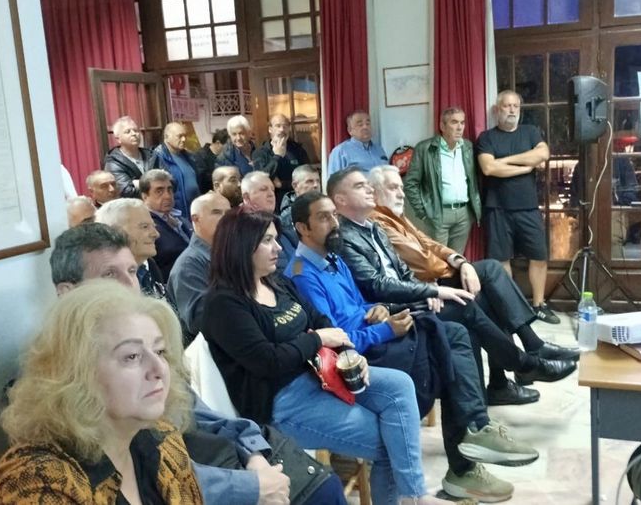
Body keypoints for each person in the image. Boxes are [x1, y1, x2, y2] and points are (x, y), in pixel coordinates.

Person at [47, 221, 344, 505]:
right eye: (110, 275)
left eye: (132, 271)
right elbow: (143, 473)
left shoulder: (147, 344)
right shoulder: (58, 382)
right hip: (194, 483)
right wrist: (251, 486)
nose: (128, 285)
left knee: (324, 486)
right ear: (67, 293)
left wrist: (255, 454)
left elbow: (202, 415)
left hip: (219, 460)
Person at [287, 192, 543, 502]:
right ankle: (470, 446)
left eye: (333, 215)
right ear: (302, 228)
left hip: (377, 333)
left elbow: (359, 305)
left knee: (457, 334)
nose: (334, 223)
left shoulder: (334, 258)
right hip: (360, 357)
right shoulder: (302, 275)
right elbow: (336, 339)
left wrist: (380, 308)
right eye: (323, 217)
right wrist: (385, 328)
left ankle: (474, 438)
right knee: (449, 344)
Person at [202, 209, 455, 505]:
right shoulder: (223, 304)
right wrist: (318, 339)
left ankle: (413, 496)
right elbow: (269, 361)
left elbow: (320, 320)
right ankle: (413, 498)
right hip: (282, 401)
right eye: (268, 241)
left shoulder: (275, 282)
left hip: (321, 373)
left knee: (400, 385)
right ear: (241, 246)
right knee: (391, 441)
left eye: (276, 238)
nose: (279, 247)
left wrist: (348, 354)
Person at [329, 167, 576, 391]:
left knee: (483, 295)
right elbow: (408, 270)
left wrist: (460, 262)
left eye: (401, 187)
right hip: (397, 305)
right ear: (341, 200)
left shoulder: (377, 226)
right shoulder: (370, 224)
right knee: (481, 286)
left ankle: (507, 378)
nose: (401, 194)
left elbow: (424, 249)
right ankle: (524, 362)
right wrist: (433, 288)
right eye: (393, 188)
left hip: (419, 289)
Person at [0, 280, 203, 503]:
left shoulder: (163, 440)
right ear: (77, 374)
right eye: (132, 356)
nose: (159, 369)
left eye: (160, 351)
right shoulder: (37, 487)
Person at [477, 90, 560, 324]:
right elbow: (489, 168)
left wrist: (504, 160)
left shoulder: (530, 132)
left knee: (539, 256)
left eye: (516, 106)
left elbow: (542, 154)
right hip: (497, 208)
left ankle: (539, 305)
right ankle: (510, 308)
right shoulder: (487, 137)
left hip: (528, 207)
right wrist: (525, 167)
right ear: (497, 110)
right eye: (507, 106)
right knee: (502, 260)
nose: (512, 110)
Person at [403, 107, 482, 253]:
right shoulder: (425, 148)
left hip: (464, 214)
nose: (460, 127)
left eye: (462, 122)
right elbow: (410, 183)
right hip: (438, 214)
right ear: (442, 126)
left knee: (457, 259)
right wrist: (423, 213)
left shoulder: (467, 147)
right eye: (454, 122)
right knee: (437, 260)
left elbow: (475, 180)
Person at [168, 192, 231, 338]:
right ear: (195, 219)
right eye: (216, 212)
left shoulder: (232, 254)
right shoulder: (188, 265)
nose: (225, 219)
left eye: (228, 213)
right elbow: (199, 321)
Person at [96, 199, 164, 293]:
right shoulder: (106, 282)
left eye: (154, 226)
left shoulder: (149, 265)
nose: (156, 234)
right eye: (144, 227)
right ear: (114, 232)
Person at [140, 169, 193, 281]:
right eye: (159, 191)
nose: (168, 196)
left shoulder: (180, 218)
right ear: (145, 196)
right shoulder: (144, 226)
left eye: (169, 190)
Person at [241, 171, 298, 270]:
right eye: (263, 189)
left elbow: (299, 261)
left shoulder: (281, 226)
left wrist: (301, 276)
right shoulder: (239, 230)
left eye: (273, 189)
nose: (271, 194)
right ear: (247, 198)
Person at [252, 114, 310, 209]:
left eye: (285, 126)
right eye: (278, 126)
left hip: (298, 202)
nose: (282, 129)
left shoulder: (298, 150)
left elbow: (307, 177)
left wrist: (282, 184)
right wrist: (277, 156)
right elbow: (261, 179)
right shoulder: (260, 153)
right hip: (273, 205)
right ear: (270, 129)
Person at [149, 121, 201, 220]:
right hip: (175, 214)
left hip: (193, 211)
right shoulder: (158, 157)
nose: (184, 139)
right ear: (167, 137)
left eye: (185, 136)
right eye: (180, 136)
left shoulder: (187, 156)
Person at [104, 116, 153, 199]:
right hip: (132, 205)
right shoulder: (113, 162)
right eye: (128, 132)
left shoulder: (151, 154)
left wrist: (137, 183)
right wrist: (155, 185)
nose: (134, 134)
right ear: (118, 139)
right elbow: (127, 191)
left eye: (136, 130)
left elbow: (168, 180)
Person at [327, 110, 388, 176]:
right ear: (350, 130)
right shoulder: (340, 152)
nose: (365, 127)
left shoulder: (379, 149)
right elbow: (334, 180)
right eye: (360, 125)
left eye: (368, 123)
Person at [279, 164, 321, 230]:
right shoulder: (288, 216)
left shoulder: (327, 206)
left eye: (318, 181)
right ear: (295, 186)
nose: (316, 185)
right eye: (310, 181)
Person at [194, 128, 229, 193]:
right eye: (227, 146)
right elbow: (203, 178)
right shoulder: (200, 155)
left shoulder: (226, 156)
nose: (228, 149)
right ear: (218, 143)